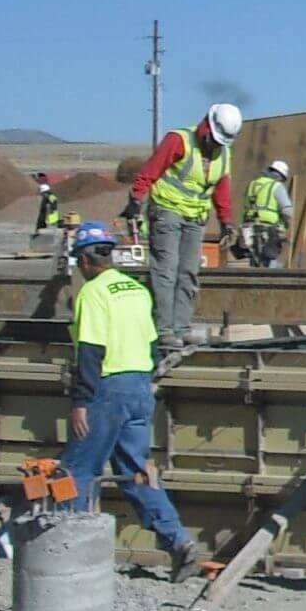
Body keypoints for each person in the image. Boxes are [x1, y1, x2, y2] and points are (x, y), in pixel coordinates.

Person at [57, 223, 203, 580]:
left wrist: (81, 402)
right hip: (140, 387)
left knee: (77, 472)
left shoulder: (93, 294)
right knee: (136, 472)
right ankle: (178, 541)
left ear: (86, 260)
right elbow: (152, 344)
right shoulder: (136, 290)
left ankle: (67, 559)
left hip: (107, 389)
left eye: (79, 261)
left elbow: (91, 351)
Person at [124, 104, 243, 346]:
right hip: (167, 210)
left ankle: (181, 328)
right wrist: (136, 199)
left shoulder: (224, 153)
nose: (215, 146)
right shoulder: (179, 140)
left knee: (188, 272)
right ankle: (164, 330)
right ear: (206, 126)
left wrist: (226, 221)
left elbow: (222, 188)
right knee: (166, 270)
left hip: (195, 217)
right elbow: (151, 170)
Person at [242, 159, 293, 269]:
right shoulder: (276, 186)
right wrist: (287, 223)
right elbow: (287, 211)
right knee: (270, 259)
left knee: (254, 259)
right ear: (281, 176)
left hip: (248, 227)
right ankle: (270, 284)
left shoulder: (252, 184)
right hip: (268, 228)